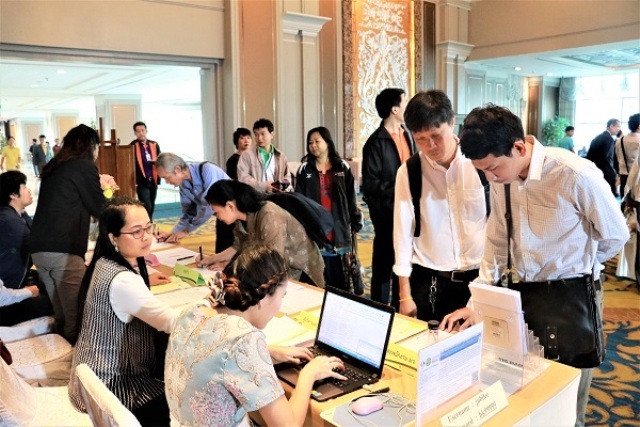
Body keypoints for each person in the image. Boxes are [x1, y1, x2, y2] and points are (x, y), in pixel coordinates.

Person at [441, 105, 628, 427]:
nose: (490, 178)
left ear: (519, 147)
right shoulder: (502, 178)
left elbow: (615, 235)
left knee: (567, 401)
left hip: (571, 299)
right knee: (528, 393)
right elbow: (496, 242)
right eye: (483, 172)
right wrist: (475, 303)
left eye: (493, 168)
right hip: (524, 298)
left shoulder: (574, 174)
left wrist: (575, 264)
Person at [166, 244, 346, 427]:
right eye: (282, 296)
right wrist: (309, 374)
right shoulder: (243, 338)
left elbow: (213, 353)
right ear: (263, 298)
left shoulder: (193, 310)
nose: (280, 305)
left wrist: (268, 352)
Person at [68, 197, 174, 426]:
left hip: (92, 377)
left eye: (148, 227)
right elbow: (171, 322)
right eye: (136, 231)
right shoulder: (123, 280)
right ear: (112, 238)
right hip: (114, 384)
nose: (146, 236)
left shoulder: (103, 263)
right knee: (180, 397)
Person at [395, 90, 487, 322]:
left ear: (452, 122)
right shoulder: (409, 172)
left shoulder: (480, 163)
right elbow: (402, 234)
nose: (431, 146)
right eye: (421, 139)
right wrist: (405, 295)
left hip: (480, 279)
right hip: (431, 282)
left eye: (436, 135)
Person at [30, 124, 106, 343]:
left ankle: (62, 356)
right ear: (91, 146)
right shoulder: (84, 166)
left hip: (39, 249)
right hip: (63, 248)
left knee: (61, 314)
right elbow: (99, 207)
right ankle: (77, 360)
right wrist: (108, 190)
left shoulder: (55, 166)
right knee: (77, 315)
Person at [198, 180, 325, 287]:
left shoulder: (269, 214)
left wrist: (232, 267)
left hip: (301, 270)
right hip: (277, 270)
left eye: (216, 212)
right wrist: (211, 259)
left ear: (230, 206)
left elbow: (272, 259)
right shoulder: (240, 219)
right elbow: (238, 247)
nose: (217, 217)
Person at [361, 88, 416, 306]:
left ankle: (399, 305)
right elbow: (371, 184)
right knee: (383, 267)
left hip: (409, 210)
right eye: (405, 102)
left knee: (404, 263)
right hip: (386, 214)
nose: (407, 107)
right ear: (394, 109)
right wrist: (400, 187)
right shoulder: (376, 142)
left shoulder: (408, 134)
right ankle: (379, 309)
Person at [295, 126, 362, 290]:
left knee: (339, 281)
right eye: (310, 142)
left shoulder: (342, 167)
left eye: (317, 141)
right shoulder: (304, 169)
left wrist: (355, 219)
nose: (313, 145)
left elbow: (350, 198)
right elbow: (298, 202)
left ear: (327, 142)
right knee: (316, 281)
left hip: (338, 229)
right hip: (315, 232)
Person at [0, 171, 53, 326]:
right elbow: (38, 241)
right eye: (24, 187)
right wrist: (31, 291)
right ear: (13, 194)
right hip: (6, 297)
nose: (29, 190)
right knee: (55, 301)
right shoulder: (8, 221)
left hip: (12, 287)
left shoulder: (15, 215)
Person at [155, 153, 233, 251]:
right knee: (222, 252)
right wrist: (173, 233)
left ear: (177, 170)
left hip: (238, 213)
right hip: (223, 217)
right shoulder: (183, 184)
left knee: (240, 252)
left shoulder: (207, 170)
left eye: (166, 177)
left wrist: (186, 231)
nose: (167, 182)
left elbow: (209, 205)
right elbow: (189, 214)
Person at [237, 118, 292, 192]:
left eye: (263, 134)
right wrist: (263, 186)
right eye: (256, 135)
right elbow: (243, 178)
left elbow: (287, 178)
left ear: (271, 134)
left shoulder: (280, 156)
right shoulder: (247, 155)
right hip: (256, 195)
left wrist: (280, 187)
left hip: (277, 194)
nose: (259, 138)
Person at [129, 121, 161, 219]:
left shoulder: (154, 144)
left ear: (146, 131)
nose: (141, 133)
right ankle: (147, 223)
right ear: (135, 133)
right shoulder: (132, 146)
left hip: (153, 179)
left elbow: (160, 159)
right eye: (138, 131)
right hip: (141, 181)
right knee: (147, 205)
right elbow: (130, 163)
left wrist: (157, 161)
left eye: (142, 130)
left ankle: (148, 222)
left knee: (152, 204)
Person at [586, 118, 621, 196]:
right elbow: (605, 158)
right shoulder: (609, 139)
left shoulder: (597, 138)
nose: (619, 129)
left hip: (595, 172)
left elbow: (589, 157)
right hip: (606, 174)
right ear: (611, 126)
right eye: (618, 126)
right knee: (610, 198)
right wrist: (614, 174)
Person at [615, 114, 640, 196]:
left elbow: (617, 158)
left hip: (624, 178)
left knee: (625, 201)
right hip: (637, 179)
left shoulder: (620, 140)